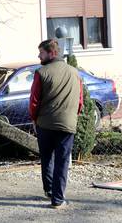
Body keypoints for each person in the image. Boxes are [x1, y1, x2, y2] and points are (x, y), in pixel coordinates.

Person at [29, 39, 83, 209]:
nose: (39, 55)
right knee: (62, 161)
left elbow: (34, 101)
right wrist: (73, 116)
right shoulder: (76, 73)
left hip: (45, 124)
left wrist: (34, 119)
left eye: (41, 52)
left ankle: (49, 190)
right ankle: (58, 199)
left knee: (47, 157)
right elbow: (80, 101)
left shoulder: (41, 72)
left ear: (52, 53)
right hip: (67, 125)